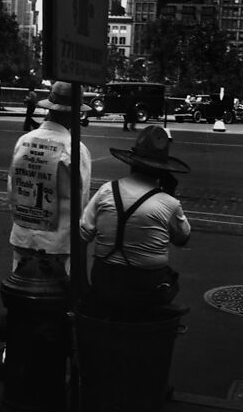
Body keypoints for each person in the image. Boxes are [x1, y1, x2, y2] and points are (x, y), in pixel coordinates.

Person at [80, 125, 191, 319]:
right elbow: (182, 238)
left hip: (104, 279)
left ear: (132, 163)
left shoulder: (107, 190)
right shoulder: (169, 203)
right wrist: (168, 193)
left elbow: (83, 234)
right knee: (172, 281)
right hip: (146, 286)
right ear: (163, 172)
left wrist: (82, 282)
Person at [8, 80, 92, 276]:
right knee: (54, 297)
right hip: (58, 244)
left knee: (21, 291)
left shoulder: (25, 141)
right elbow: (82, 202)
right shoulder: (75, 148)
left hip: (23, 236)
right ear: (74, 114)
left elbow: (12, 189)